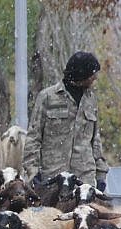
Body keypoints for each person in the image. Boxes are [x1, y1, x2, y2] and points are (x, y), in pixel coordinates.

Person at [22, 51, 109, 191]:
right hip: (52, 178)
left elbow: (95, 140)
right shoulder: (47, 97)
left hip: (84, 180)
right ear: (81, 75)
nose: (95, 78)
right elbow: (33, 138)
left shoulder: (91, 99)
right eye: (92, 74)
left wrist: (100, 174)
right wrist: (33, 172)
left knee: (86, 213)